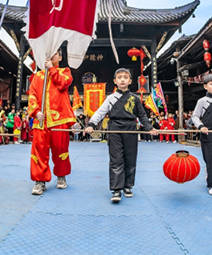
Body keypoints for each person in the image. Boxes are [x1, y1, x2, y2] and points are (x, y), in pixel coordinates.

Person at [84, 68, 158, 203]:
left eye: (125, 77)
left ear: (130, 81)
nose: (122, 79)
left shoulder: (135, 99)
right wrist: (91, 125)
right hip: (114, 130)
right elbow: (100, 112)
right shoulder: (110, 98)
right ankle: (116, 189)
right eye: (119, 77)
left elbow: (142, 115)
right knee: (116, 159)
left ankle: (128, 186)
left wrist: (149, 128)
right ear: (115, 81)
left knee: (130, 158)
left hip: (131, 129)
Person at [28, 50, 76, 195]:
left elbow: (63, 84)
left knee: (60, 149)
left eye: (55, 53)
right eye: (48, 53)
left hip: (59, 119)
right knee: (39, 151)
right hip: (41, 120)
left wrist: (51, 69)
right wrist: (36, 111)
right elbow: (32, 95)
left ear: (60, 57)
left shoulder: (65, 72)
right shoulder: (37, 76)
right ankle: (39, 180)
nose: (51, 56)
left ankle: (61, 176)